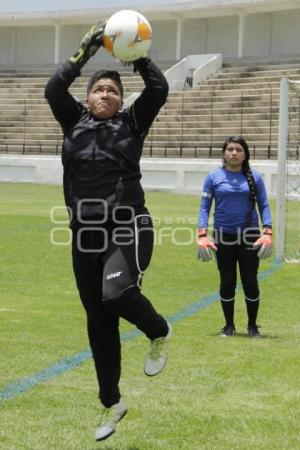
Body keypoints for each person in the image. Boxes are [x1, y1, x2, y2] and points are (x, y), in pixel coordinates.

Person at [45, 23, 171, 442]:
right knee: (98, 321)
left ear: (120, 101)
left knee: (116, 294)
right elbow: (52, 90)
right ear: (87, 96)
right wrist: (85, 53)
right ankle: (111, 403)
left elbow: (158, 90)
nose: (106, 95)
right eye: (99, 89)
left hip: (128, 225)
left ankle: (158, 332)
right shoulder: (72, 122)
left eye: (113, 91)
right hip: (84, 236)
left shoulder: (131, 123)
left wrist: (137, 56)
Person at [197, 136, 272, 338]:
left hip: (250, 236)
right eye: (230, 149)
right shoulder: (213, 177)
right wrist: (202, 234)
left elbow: (264, 205)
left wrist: (268, 231)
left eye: (238, 149)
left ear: (245, 154)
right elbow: (204, 207)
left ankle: (253, 327)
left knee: (250, 281)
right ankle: (229, 326)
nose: (234, 153)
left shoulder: (255, 177)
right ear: (224, 152)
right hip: (223, 236)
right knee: (227, 281)